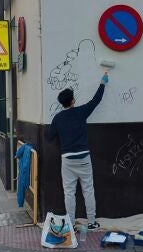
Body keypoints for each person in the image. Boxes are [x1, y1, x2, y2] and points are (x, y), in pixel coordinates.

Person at [47, 72, 109, 230]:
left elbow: (49, 136)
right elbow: (96, 101)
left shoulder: (58, 118)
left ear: (62, 103)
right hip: (83, 157)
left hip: (67, 159)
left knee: (69, 192)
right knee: (88, 189)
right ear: (73, 100)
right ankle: (92, 222)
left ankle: (71, 222)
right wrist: (102, 83)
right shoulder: (81, 112)